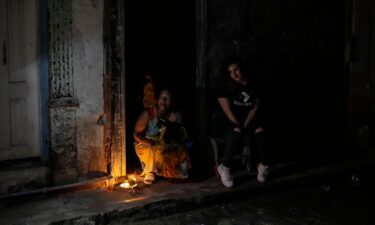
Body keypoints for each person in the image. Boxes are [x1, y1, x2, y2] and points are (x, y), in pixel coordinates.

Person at [214, 56, 269, 188]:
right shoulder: (225, 87)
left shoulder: (254, 84)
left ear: (241, 68)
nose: (234, 74)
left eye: (236, 70)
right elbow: (228, 112)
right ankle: (224, 168)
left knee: (260, 131)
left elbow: (254, 110)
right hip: (226, 119)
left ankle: (264, 166)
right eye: (231, 72)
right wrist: (240, 128)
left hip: (247, 118)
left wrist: (245, 126)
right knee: (236, 131)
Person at [133, 86, 191, 184]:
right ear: (157, 100)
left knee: (181, 151)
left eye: (167, 98)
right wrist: (150, 143)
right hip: (147, 145)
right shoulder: (149, 114)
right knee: (155, 150)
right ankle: (150, 171)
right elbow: (136, 135)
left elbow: (181, 137)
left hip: (164, 146)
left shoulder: (175, 115)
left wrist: (172, 125)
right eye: (162, 98)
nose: (164, 101)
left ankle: (165, 170)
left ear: (172, 101)